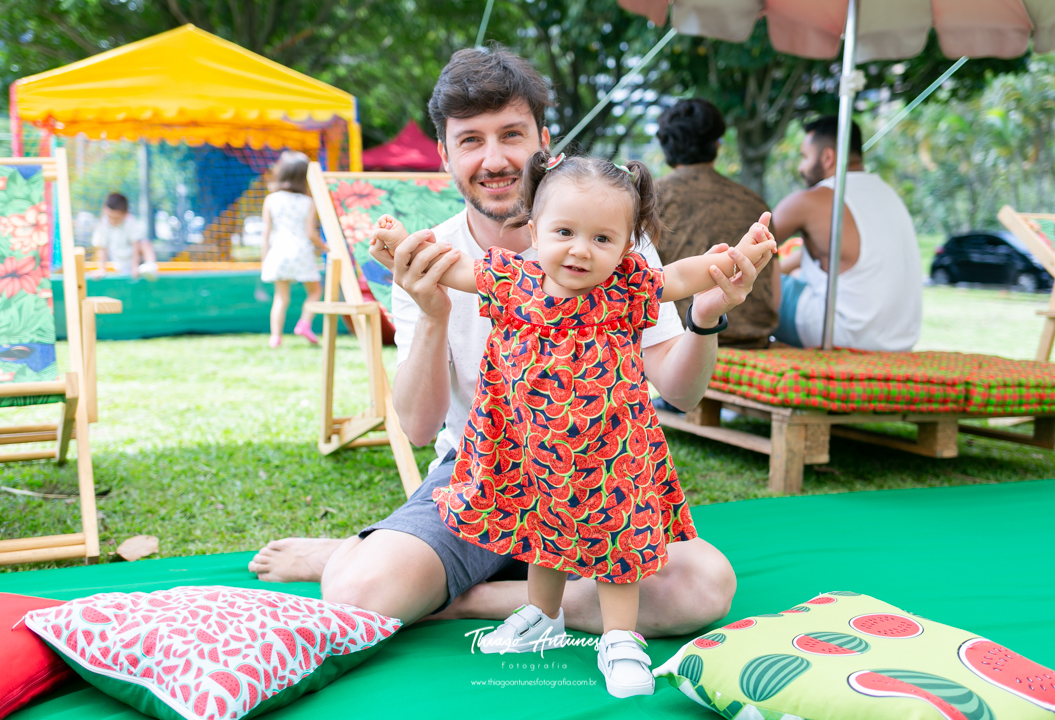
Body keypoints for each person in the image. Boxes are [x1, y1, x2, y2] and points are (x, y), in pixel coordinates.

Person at [249, 47, 774, 658]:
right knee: (359, 591)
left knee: (702, 587)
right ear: (444, 155)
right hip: (484, 470)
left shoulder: (613, 245)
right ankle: (384, 560)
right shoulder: (436, 258)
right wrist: (436, 316)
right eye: (470, 140)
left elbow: (680, 393)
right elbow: (419, 429)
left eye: (512, 134)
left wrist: (705, 318)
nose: (494, 159)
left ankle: (472, 599)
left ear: (545, 144)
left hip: (597, 473)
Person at [372, 153, 774, 697]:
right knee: (540, 535)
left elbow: (682, 274)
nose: (582, 250)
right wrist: (402, 246)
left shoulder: (627, 288)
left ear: (628, 246)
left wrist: (739, 256)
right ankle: (542, 616)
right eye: (564, 232)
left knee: (616, 547)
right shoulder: (511, 279)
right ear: (534, 231)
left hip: (612, 455)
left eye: (603, 239)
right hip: (528, 451)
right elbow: (454, 270)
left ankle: (620, 637)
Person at [771, 116, 922, 351]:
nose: (801, 167)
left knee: (749, 281)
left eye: (804, 157)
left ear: (828, 157)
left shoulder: (811, 200)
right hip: (897, 340)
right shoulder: (887, 195)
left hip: (842, 335)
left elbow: (747, 250)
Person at [655, 98, 780, 349]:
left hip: (681, 341)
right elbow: (775, 296)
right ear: (715, 144)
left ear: (667, 146)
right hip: (754, 340)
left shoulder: (650, 197)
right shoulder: (754, 202)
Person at [260, 151, 328, 349]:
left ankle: (275, 337)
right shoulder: (307, 202)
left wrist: (264, 259)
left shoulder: (271, 199)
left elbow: (265, 233)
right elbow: (311, 233)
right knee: (315, 291)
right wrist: (325, 247)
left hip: (279, 251)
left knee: (281, 297)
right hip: (301, 252)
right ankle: (304, 324)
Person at [91, 193, 158, 280]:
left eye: (116, 218)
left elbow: (136, 244)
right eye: (110, 217)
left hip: (137, 262)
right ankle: (137, 269)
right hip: (121, 264)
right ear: (105, 210)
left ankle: (150, 267)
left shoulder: (130, 221)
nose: (112, 221)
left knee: (145, 243)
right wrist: (102, 269)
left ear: (125, 214)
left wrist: (135, 267)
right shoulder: (103, 224)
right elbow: (102, 248)